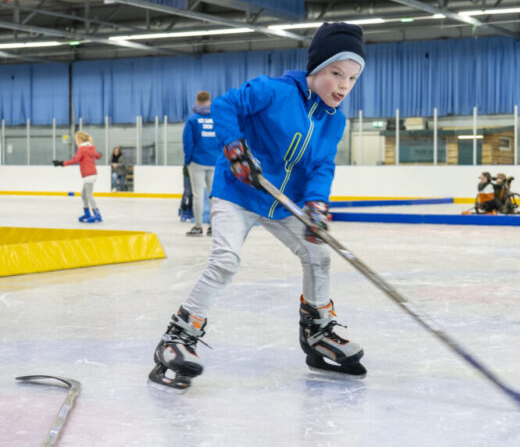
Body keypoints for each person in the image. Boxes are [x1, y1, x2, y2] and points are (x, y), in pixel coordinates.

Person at [148, 22, 368, 393]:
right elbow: (224, 106)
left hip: (282, 204)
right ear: (315, 69)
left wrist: (316, 203)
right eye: (336, 73)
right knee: (225, 260)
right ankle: (178, 337)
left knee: (319, 255)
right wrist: (234, 147)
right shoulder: (273, 91)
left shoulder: (335, 121)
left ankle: (317, 332)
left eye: (352, 78)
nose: (344, 85)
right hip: (238, 191)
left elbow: (322, 165)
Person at [183, 90, 219, 237]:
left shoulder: (192, 119)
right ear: (209, 102)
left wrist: (188, 160)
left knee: (197, 195)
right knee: (214, 196)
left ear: (197, 102)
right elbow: (223, 139)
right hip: (214, 161)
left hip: (197, 162)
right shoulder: (217, 118)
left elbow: (188, 142)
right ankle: (213, 227)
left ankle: (198, 227)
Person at [53, 131, 103, 223]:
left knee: (88, 195)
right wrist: (99, 155)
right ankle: (87, 213)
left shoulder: (82, 149)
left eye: (76, 140)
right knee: (83, 195)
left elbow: (75, 160)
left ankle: (97, 214)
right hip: (92, 174)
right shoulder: (90, 147)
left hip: (89, 175)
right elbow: (96, 155)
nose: (75, 142)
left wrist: (61, 163)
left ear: (80, 140)